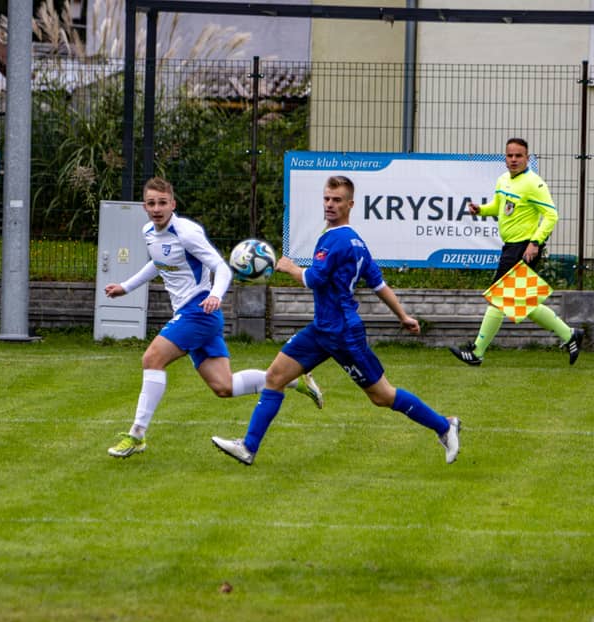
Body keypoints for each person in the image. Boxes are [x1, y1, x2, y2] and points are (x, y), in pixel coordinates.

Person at [211, 175, 460, 466]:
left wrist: (291, 267)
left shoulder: (336, 240)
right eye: (327, 199)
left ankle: (445, 426)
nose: (330, 204)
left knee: (382, 396)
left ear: (350, 204)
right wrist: (403, 316)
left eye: (337, 200)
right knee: (275, 377)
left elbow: (313, 279)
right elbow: (378, 284)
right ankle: (248, 447)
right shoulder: (356, 242)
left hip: (343, 334)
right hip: (322, 329)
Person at [105, 177, 323, 458]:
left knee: (152, 359)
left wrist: (216, 295)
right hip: (196, 316)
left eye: (162, 203)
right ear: (144, 207)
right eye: (151, 203)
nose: (157, 209)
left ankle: (136, 435)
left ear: (173, 204)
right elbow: (158, 263)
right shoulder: (149, 231)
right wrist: (125, 287)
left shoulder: (187, 233)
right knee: (224, 386)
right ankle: (291, 379)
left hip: (198, 311)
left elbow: (221, 267)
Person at [449, 137, 582, 366]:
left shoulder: (534, 183)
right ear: (505, 158)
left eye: (518, 156)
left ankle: (477, 352)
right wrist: (481, 210)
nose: (513, 159)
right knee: (524, 303)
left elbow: (551, 215)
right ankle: (570, 334)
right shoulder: (503, 180)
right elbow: (498, 207)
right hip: (510, 246)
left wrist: (535, 243)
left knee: (498, 299)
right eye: (510, 155)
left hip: (523, 248)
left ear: (527, 158)